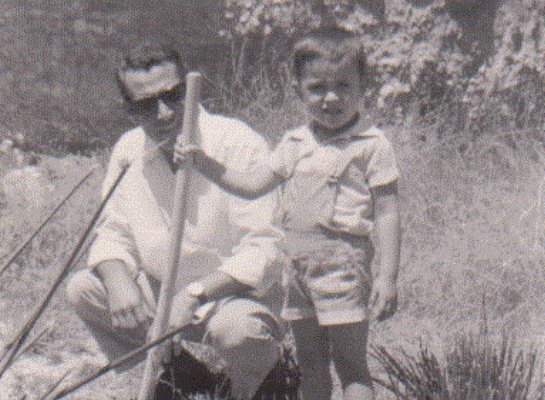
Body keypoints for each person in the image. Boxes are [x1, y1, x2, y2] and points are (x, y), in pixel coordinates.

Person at [177, 26, 401, 400]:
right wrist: (203, 163)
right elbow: (251, 185)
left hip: (343, 266)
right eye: (318, 88)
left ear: (364, 85)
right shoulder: (294, 142)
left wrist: (388, 276)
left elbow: (388, 212)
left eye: (344, 86)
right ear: (298, 90)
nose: (331, 98)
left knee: (350, 366)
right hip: (296, 271)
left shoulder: (371, 145)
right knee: (312, 365)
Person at [65, 41, 286, 399]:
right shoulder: (128, 150)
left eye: (173, 95)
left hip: (230, 297)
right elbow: (112, 233)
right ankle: (183, 375)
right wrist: (119, 279)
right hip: (163, 299)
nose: (165, 112)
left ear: (189, 88)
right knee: (84, 289)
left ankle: (258, 386)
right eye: (146, 104)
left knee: (239, 331)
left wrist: (193, 296)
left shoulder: (237, 142)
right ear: (130, 111)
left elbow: (265, 249)